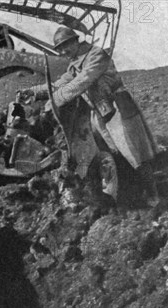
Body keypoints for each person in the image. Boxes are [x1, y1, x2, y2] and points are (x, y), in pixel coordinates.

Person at [20, 27, 159, 206]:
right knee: (110, 152)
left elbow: (81, 82)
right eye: (60, 49)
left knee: (132, 152)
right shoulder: (74, 64)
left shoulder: (96, 55)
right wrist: (32, 92)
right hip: (99, 112)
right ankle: (131, 192)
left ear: (75, 41)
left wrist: (54, 101)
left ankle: (153, 193)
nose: (63, 52)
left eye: (65, 46)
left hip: (117, 108)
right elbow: (58, 85)